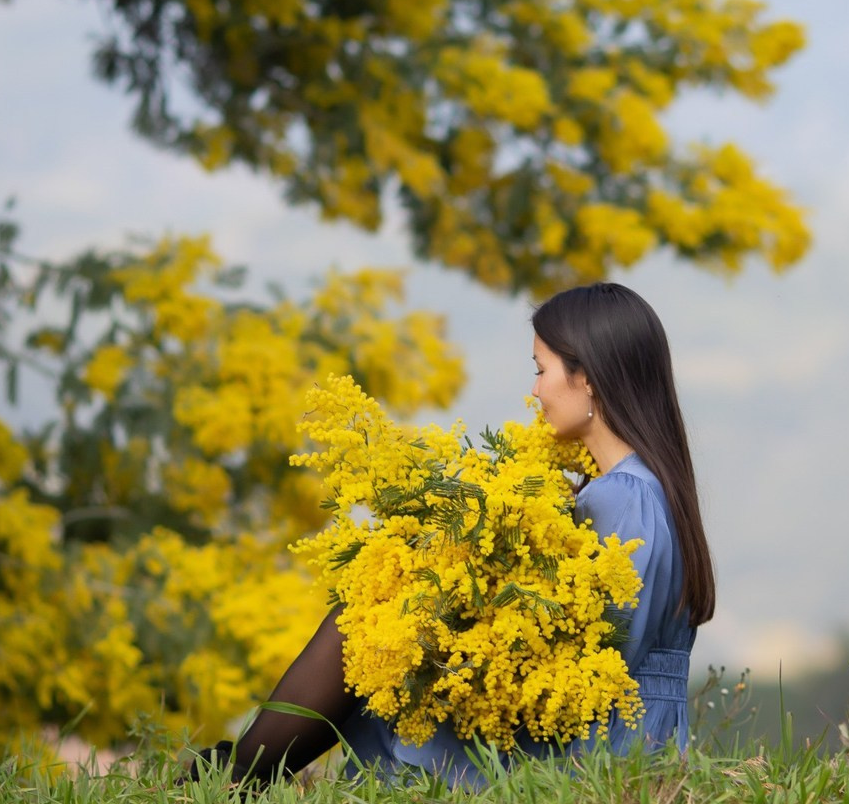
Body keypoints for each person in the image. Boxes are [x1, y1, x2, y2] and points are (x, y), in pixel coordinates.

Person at [186, 282, 714, 788]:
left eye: (541, 369)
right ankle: (240, 774)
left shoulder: (625, 496)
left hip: (595, 743)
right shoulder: (636, 487)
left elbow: (598, 655)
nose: (535, 391)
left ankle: (235, 778)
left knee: (366, 628)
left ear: (590, 377)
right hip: (620, 730)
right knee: (381, 621)